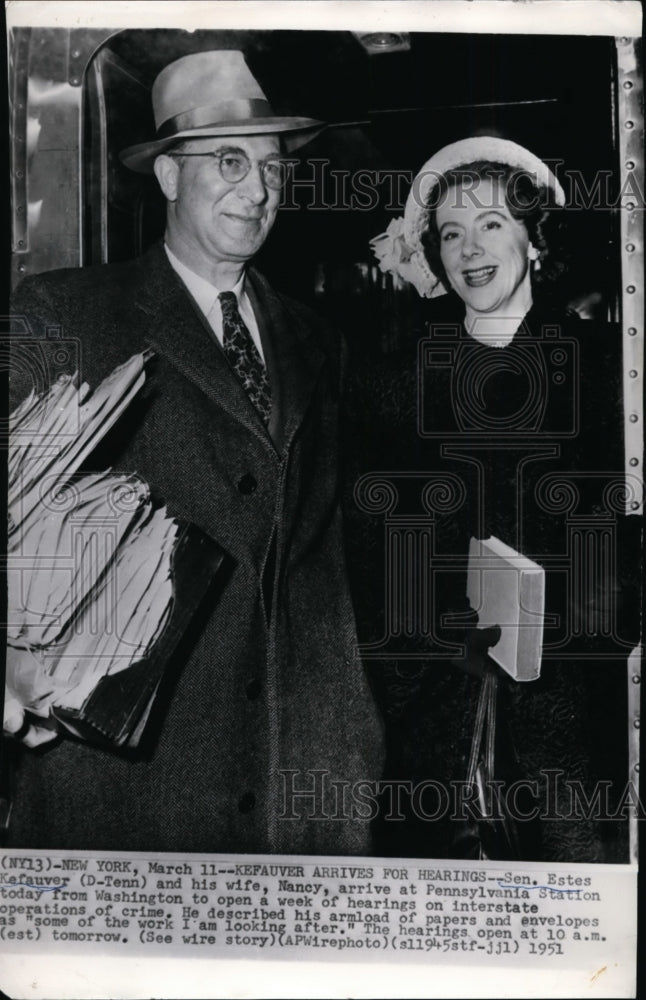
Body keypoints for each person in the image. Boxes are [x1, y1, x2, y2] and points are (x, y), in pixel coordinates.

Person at [5, 50, 383, 854]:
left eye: (272, 168)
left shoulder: (319, 341)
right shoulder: (65, 312)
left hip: (297, 769)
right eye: (229, 161)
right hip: (122, 776)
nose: (257, 190)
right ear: (170, 177)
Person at [345, 136, 640, 861]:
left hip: (569, 714)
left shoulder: (610, 369)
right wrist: (434, 634)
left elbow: (630, 536)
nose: (469, 249)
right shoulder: (396, 380)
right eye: (450, 232)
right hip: (433, 715)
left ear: (534, 239)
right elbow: (365, 548)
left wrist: (577, 622)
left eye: (492, 224)